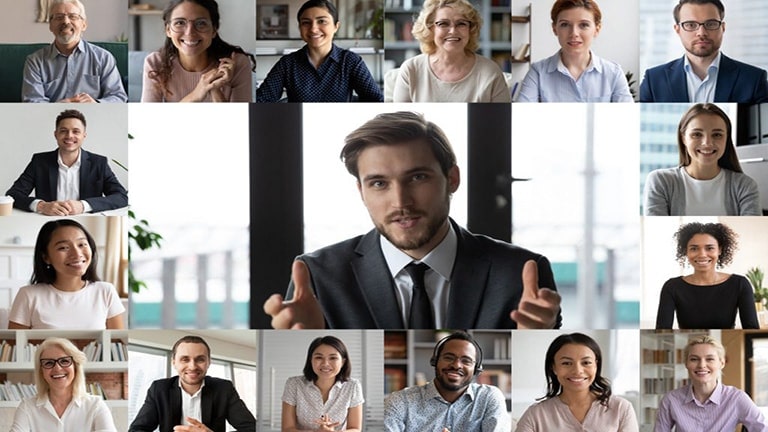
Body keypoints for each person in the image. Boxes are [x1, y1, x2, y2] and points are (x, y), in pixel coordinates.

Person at [263, 111, 562, 329]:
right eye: (379, 183)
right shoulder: (318, 275)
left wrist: (533, 343)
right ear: (362, 192)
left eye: (418, 177)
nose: (401, 202)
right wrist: (304, 342)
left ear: (452, 178)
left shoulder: (521, 273)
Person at [639, 0, 768, 103]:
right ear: (677, 30)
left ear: (722, 28)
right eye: (690, 25)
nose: (701, 33)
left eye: (711, 24)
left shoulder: (754, 79)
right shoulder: (654, 79)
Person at [5, 109, 129, 215]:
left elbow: (121, 197)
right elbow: (12, 195)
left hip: (88, 223)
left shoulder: (99, 163)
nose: (69, 136)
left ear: (84, 135)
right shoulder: (40, 161)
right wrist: (42, 206)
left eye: (76, 131)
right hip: (47, 222)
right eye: (63, 131)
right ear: (56, 134)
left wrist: (83, 206)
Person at [644, 104, 760, 216]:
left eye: (717, 135)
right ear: (683, 138)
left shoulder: (745, 186)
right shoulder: (660, 181)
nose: (707, 143)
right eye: (697, 134)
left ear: (727, 138)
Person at [7, 219, 125, 329]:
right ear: (46, 257)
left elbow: (118, 344)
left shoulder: (105, 291)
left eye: (82, 244)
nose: (77, 253)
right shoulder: (28, 295)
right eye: (63, 247)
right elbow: (14, 347)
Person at [256, 0, 383, 102]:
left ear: (336, 26)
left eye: (322, 21)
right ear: (300, 27)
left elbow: (376, 100)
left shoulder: (350, 61)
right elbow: (262, 100)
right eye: (306, 23)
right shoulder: (287, 64)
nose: (313, 29)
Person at [385, 331, 510, 431]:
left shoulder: (489, 398)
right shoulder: (401, 401)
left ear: (476, 369)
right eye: (449, 358)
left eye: (466, 361)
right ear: (435, 361)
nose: (456, 365)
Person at [129, 335, 256, 432]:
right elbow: (137, 429)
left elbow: (252, 429)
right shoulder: (159, 389)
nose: (193, 366)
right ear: (174, 362)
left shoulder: (223, 389)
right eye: (185, 359)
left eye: (200, 359)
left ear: (209, 362)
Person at [515, 333, 639, 432]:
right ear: (553, 367)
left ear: (596, 365)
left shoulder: (621, 408)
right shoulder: (535, 415)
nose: (577, 371)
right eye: (566, 363)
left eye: (586, 363)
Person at [392, 0, 510, 102]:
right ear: (430, 29)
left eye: (461, 24)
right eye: (443, 23)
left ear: (470, 29)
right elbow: (400, 120)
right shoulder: (411, 69)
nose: (453, 31)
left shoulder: (490, 71)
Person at [517, 0, 632, 102]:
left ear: (597, 29)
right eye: (565, 24)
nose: (574, 33)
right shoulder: (537, 72)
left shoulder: (614, 73)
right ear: (554, 29)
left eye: (583, 25)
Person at [142, 0, 255, 102]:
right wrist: (197, 93)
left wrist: (214, 89)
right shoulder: (155, 63)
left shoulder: (237, 63)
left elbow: (238, 123)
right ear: (168, 30)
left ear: (214, 30)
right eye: (180, 23)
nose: (190, 33)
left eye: (201, 23)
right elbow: (148, 122)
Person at [655, 222, 759, 329]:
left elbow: (752, 330)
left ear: (720, 250)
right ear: (686, 251)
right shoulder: (672, 287)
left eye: (709, 248)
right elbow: (662, 330)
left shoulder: (739, 284)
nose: (702, 255)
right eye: (694, 248)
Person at [655, 335, 767, 432]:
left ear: (721, 363)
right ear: (686, 363)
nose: (702, 365)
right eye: (694, 359)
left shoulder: (737, 398)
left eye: (709, 359)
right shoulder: (671, 399)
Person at [22, 0, 127, 103]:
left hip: (93, 116)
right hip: (51, 118)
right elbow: (32, 101)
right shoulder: (35, 61)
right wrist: (59, 107)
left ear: (84, 25)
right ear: (51, 26)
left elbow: (118, 96)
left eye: (73, 16)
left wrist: (96, 104)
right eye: (59, 17)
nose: (66, 21)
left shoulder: (103, 58)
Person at [9, 337, 118, 431]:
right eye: (48, 363)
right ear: (41, 371)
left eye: (64, 361)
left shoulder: (96, 405)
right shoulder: (27, 407)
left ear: (75, 367)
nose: (57, 368)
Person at [282, 336, 363, 431]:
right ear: (310, 360)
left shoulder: (353, 386)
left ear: (343, 362)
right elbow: (287, 429)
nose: (325, 364)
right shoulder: (294, 384)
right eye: (319, 357)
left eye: (333, 358)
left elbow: (355, 429)